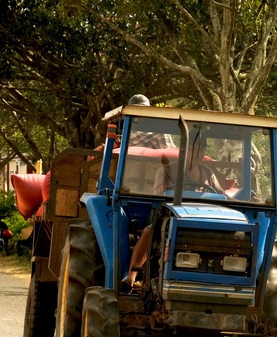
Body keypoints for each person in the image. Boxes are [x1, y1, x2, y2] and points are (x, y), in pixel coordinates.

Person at [121, 135, 223, 292]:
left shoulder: (207, 172)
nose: (197, 154)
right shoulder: (167, 170)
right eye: (193, 149)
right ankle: (131, 276)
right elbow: (160, 196)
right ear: (184, 150)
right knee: (149, 230)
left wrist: (243, 198)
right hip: (169, 216)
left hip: (200, 217)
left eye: (201, 150)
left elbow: (221, 194)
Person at [93, 94, 175, 154]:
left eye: (142, 111)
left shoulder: (159, 132)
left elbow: (170, 155)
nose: (139, 116)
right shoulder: (126, 135)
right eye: (135, 113)